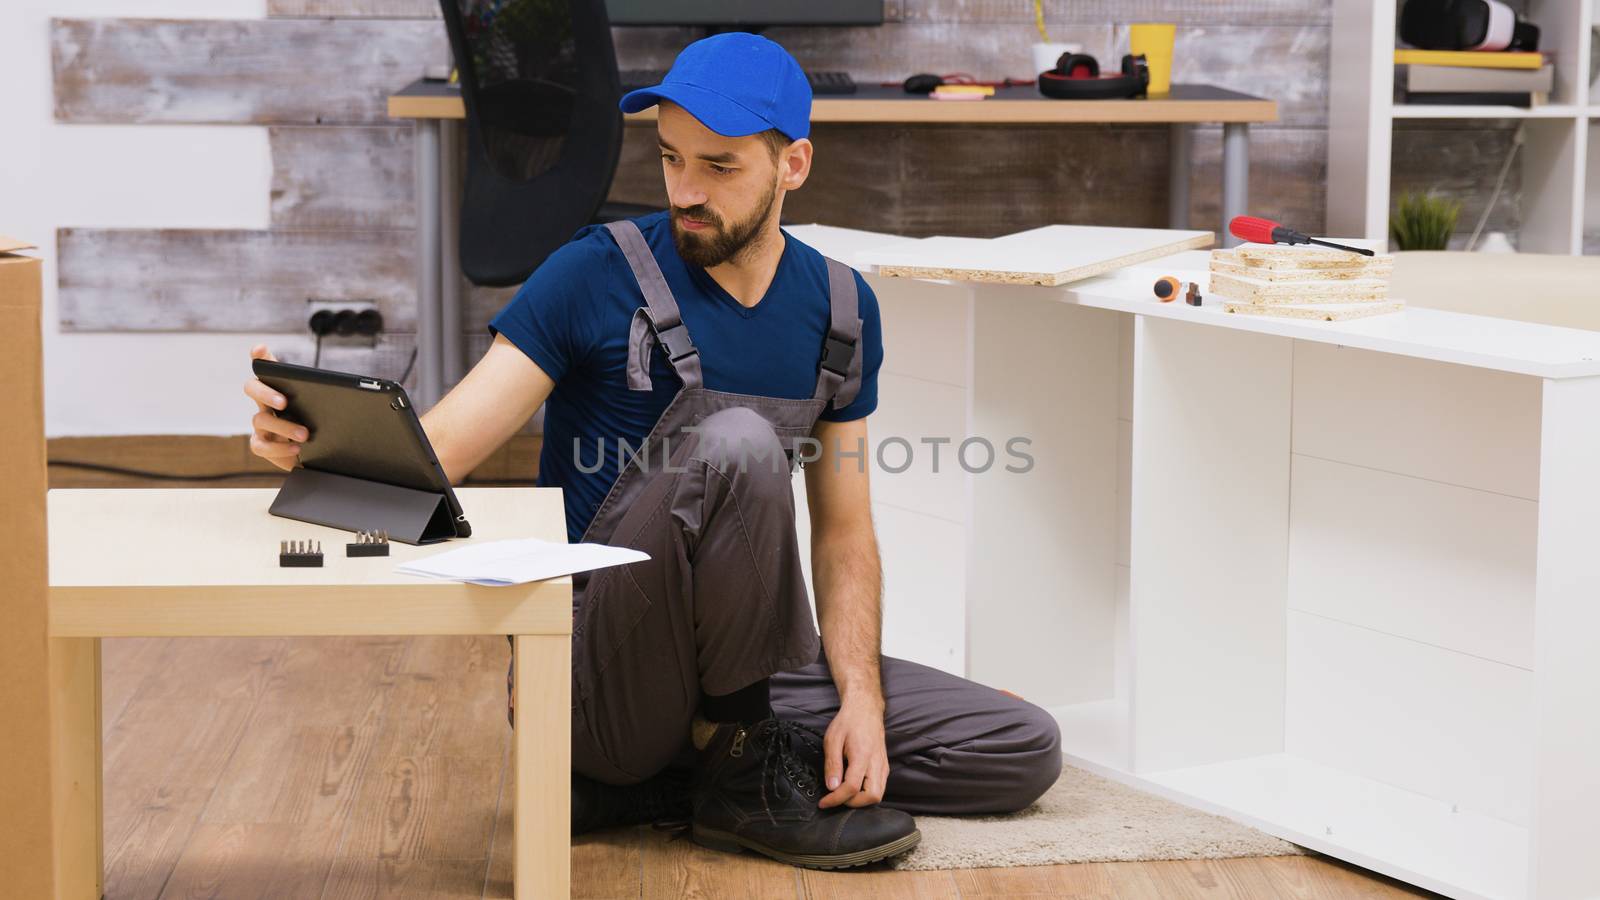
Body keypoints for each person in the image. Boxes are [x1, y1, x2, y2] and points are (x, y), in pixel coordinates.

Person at [243, 32, 1061, 870]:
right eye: (671, 158)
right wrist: (321, 447)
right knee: (738, 444)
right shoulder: (591, 275)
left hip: (745, 661)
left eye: (720, 166)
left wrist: (861, 701)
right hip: (601, 668)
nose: (687, 191)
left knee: (1017, 745)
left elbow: (845, 532)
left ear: (795, 166)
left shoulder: (843, 309)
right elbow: (440, 449)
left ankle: (681, 781)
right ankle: (733, 779)